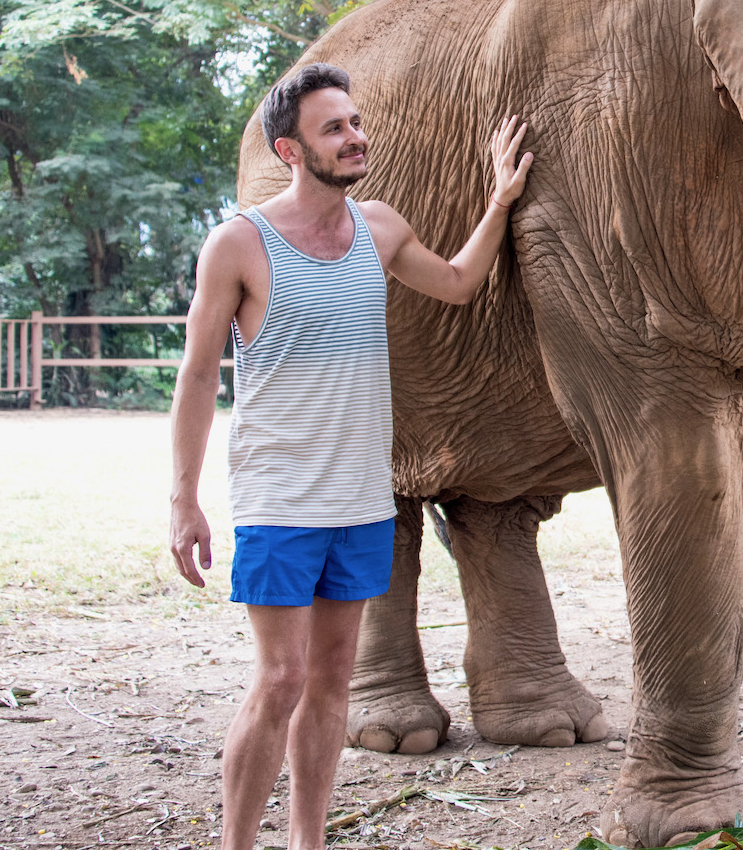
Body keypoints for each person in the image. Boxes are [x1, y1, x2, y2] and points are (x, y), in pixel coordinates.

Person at [167, 62, 532, 850]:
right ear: (290, 150)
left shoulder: (379, 227)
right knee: (281, 679)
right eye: (334, 128)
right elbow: (197, 375)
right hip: (278, 502)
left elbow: (462, 283)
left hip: (363, 501)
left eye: (355, 122)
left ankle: (309, 841)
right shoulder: (239, 244)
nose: (355, 136)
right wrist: (184, 497)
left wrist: (500, 199)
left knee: (333, 684)